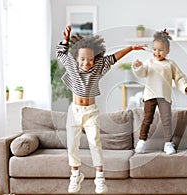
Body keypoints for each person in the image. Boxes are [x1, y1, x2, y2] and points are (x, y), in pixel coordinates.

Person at [56, 25, 145, 194]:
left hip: (90, 112)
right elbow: (60, 53)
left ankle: (100, 177)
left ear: (95, 58)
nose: (86, 63)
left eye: (90, 59)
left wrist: (131, 48)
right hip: (74, 111)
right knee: (72, 144)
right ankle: (75, 174)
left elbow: (114, 58)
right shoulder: (72, 65)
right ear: (76, 58)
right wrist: (66, 39)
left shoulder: (98, 67)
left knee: (94, 142)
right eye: (82, 59)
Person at [132, 29, 187, 155]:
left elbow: (179, 77)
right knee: (147, 119)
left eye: (160, 50)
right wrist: (137, 66)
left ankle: (168, 143)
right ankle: (142, 141)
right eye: (155, 49)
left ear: (167, 51)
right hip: (149, 96)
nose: (157, 52)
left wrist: (185, 86)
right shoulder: (148, 63)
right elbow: (142, 73)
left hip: (164, 96)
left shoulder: (170, 64)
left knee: (167, 120)